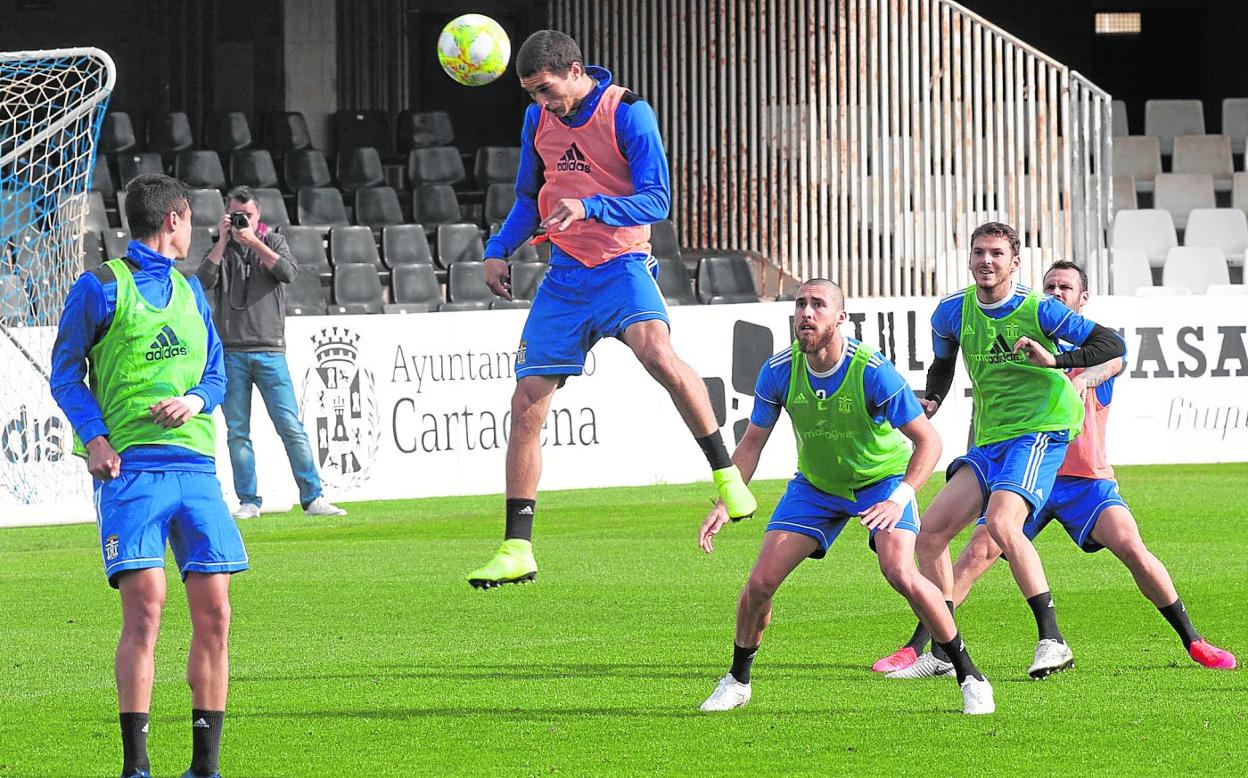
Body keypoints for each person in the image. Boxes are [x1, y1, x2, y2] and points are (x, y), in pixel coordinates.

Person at [466, 29, 755, 588]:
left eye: (545, 90)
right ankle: (516, 547)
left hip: (623, 265)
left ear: (575, 70)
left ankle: (727, 478)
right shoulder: (537, 122)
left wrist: (591, 204)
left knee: (657, 354)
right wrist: (499, 249)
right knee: (526, 400)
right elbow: (530, 197)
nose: (540, 103)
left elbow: (658, 199)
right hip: (566, 276)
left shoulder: (629, 112)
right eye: (530, 94)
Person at [874, 261, 1236, 675]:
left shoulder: (1087, 357)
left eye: (1065, 287)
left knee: (1132, 548)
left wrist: (1070, 370)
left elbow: (1111, 360)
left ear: (1083, 299)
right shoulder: (1021, 340)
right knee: (974, 553)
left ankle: (1194, 640)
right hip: (1020, 469)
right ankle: (927, 647)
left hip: (1082, 480)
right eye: (1050, 286)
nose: (1056, 293)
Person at [696, 279, 995, 715]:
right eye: (800, 304)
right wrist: (727, 498)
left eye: (818, 304)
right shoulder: (779, 370)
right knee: (760, 583)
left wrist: (900, 496)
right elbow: (751, 445)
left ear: (841, 317)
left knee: (900, 572)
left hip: (883, 482)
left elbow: (928, 443)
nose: (806, 312)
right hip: (816, 487)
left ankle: (970, 675)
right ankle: (737, 680)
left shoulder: (871, 369)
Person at [50, 173, 244, 778]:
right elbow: (65, 373)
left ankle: (204, 768)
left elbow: (216, 374)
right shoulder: (101, 287)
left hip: (197, 473)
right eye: (190, 219)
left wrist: (195, 400)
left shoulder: (191, 293)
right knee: (146, 613)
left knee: (215, 613)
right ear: (175, 219)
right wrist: (95, 437)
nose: (192, 229)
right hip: (133, 474)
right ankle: (137, 767)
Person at [893, 222, 1127, 681]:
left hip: (1042, 429)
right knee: (931, 534)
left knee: (1002, 523)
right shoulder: (951, 312)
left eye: (997, 253)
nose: (986, 261)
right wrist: (933, 400)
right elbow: (943, 365)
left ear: (1015, 263)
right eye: (979, 252)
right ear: (970, 259)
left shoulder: (1040, 309)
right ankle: (944, 650)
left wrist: (1055, 359)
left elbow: (1111, 344)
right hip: (992, 437)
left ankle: (1052, 640)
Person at [196, 185, 345, 520]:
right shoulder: (221, 247)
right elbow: (203, 281)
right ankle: (249, 499)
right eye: (236, 215)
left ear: (258, 215)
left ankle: (313, 497)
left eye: (247, 215)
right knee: (238, 431)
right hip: (231, 351)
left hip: (269, 349)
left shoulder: (273, 241)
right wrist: (223, 241)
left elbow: (289, 273)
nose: (241, 221)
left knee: (290, 425)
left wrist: (253, 242)